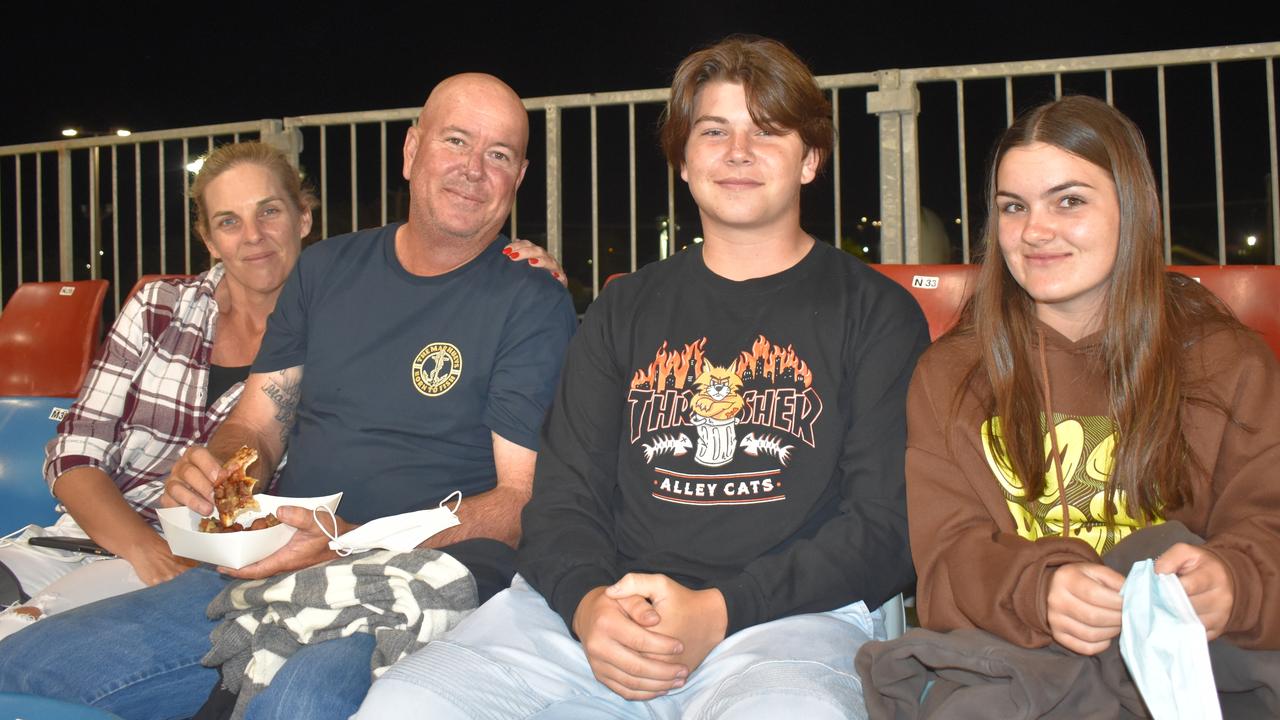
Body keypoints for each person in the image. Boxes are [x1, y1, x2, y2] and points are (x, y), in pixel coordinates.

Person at [357, 36, 927, 720]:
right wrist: (591, 605)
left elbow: (883, 528)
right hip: (599, 611)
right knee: (406, 703)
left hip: (783, 621)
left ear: (810, 159)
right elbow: (563, 500)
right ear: (684, 162)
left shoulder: (875, 313)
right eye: (714, 131)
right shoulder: (623, 308)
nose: (738, 153)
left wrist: (719, 610)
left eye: (767, 132)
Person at [0, 73, 577, 720]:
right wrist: (223, 475)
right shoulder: (326, 271)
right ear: (412, 150)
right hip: (277, 556)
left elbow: (520, 501)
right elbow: (257, 426)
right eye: (456, 142)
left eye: (498, 154)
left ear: (519, 176)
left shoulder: (531, 301)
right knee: (22, 671)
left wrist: (349, 541)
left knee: (299, 702)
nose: (473, 169)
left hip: (420, 571)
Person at [860, 96, 1280, 716]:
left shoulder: (1226, 362)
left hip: (1197, 667)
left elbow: (1265, 524)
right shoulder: (951, 376)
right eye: (1013, 207)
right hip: (1027, 669)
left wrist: (1233, 585)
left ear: (1131, 209)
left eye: (1070, 200)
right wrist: (1039, 590)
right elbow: (947, 561)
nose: (1035, 230)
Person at [0, 141, 314, 639]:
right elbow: (74, 453)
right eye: (229, 221)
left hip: (204, 569)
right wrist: (145, 548)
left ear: (303, 218)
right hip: (84, 539)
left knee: (23, 647)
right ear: (208, 239)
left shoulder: (334, 339)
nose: (253, 237)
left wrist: (167, 557)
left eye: (269, 212)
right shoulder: (159, 307)